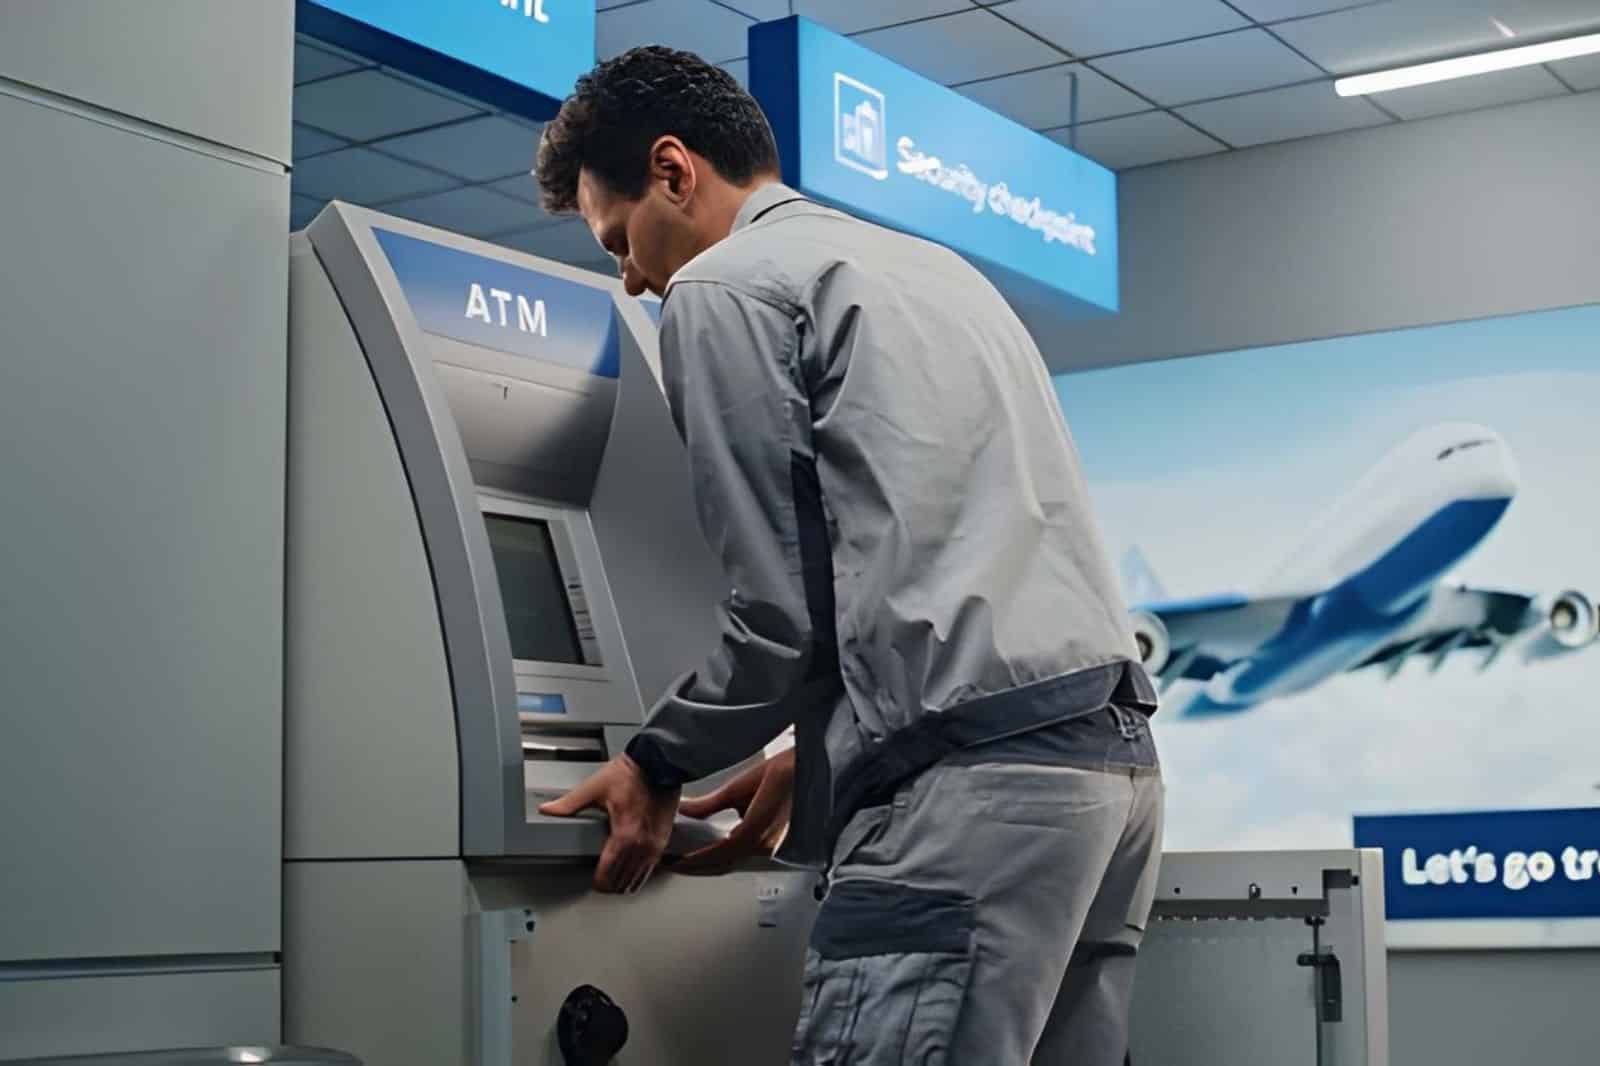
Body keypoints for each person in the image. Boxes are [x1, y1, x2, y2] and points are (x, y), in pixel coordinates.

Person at [533, 45, 1164, 1066]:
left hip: (969, 801)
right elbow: (950, 561)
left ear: (673, 171)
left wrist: (655, 761)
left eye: (620, 241)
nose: (634, 279)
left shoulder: (727, 288)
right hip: (1108, 777)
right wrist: (819, 756)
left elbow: (777, 616)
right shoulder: (936, 273)